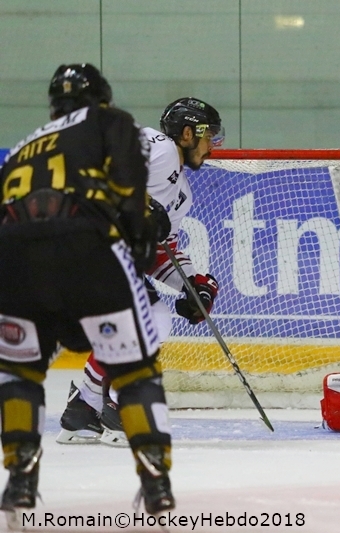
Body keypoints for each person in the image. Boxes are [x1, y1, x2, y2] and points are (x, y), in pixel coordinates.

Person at [0, 63, 173, 518]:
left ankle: (19, 480)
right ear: (101, 97)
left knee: (20, 377)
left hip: (14, 259)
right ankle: (155, 483)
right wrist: (139, 239)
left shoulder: (21, 147)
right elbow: (128, 183)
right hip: (85, 248)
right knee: (134, 371)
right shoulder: (108, 121)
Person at [57, 96, 224, 446]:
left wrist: (194, 285)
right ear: (189, 133)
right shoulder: (159, 147)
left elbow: (162, 256)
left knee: (148, 320)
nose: (213, 147)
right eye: (210, 137)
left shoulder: (183, 195)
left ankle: (84, 410)